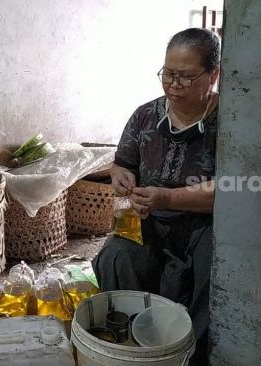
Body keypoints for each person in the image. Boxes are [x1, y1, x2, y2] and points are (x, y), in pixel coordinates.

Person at [92, 28, 220, 364]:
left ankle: (192, 355)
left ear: (213, 75)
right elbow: (121, 163)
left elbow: (231, 191)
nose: (174, 85)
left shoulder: (232, 123)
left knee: (213, 271)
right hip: (150, 220)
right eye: (168, 74)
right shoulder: (145, 115)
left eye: (187, 77)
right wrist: (121, 177)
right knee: (116, 256)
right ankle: (132, 344)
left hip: (204, 227)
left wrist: (167, 197)